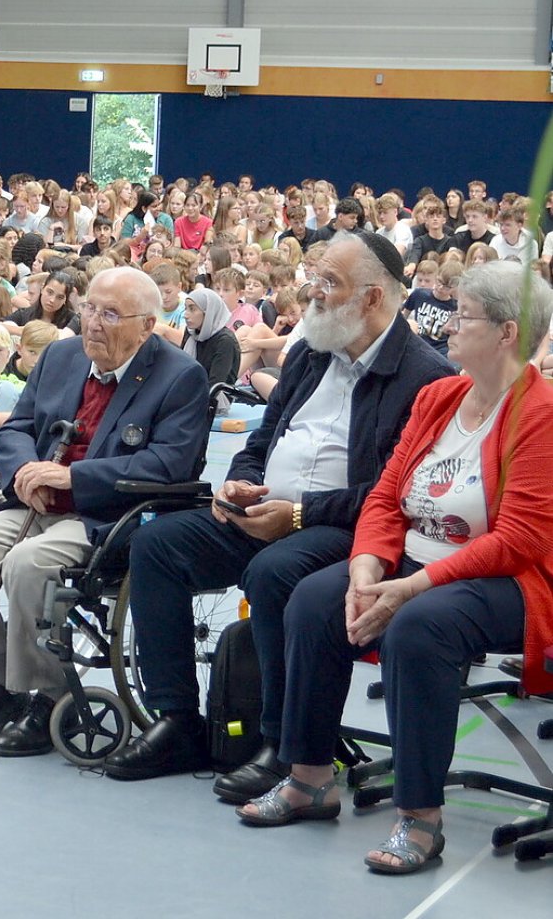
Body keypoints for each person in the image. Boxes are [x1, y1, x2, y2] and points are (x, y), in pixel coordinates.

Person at [103, 232, 453, 786]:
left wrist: (299, 514)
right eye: (313, 279)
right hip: (268, 511)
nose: (312, 292)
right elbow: (261, 441)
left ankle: (281, 746)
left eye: (329, 283)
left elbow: (393, 494)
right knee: (158, 545)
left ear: (373, 298)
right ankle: (177, 721)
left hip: (346, 530)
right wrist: (241, 482)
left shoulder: (426, 377)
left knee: (275, 574)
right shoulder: (312, 354)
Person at [238, 262, 553, 875]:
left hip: (506, 580)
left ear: (508, 332)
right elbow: (386, 497)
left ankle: (420, 818)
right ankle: (308, 779)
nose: (447, 326)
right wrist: (365, 569)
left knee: (419, 626)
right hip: (411, 562)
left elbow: (519, 539)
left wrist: (409, 586)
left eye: (463, 316)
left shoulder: (541, 412)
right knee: (312, 599)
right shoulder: (440, 397)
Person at [0, 267, 208, 757]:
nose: (93, 324)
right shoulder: (61, 356)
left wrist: (73, 478)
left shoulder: (179, 375)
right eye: (89, 309)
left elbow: (169, 463)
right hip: (34, 503)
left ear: (147, 326)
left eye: (110, 314)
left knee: (28, 563)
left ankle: (46, 697)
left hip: (107, 514)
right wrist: (25, 471)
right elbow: (17, 427)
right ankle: (0, 685)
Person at [180, 286, 240, 388]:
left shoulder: (225, 341)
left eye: (192, 309)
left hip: (216, 398)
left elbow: (216, 384)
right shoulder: (191, 332)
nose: (186, 315)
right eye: (186, 308)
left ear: (208, 312)